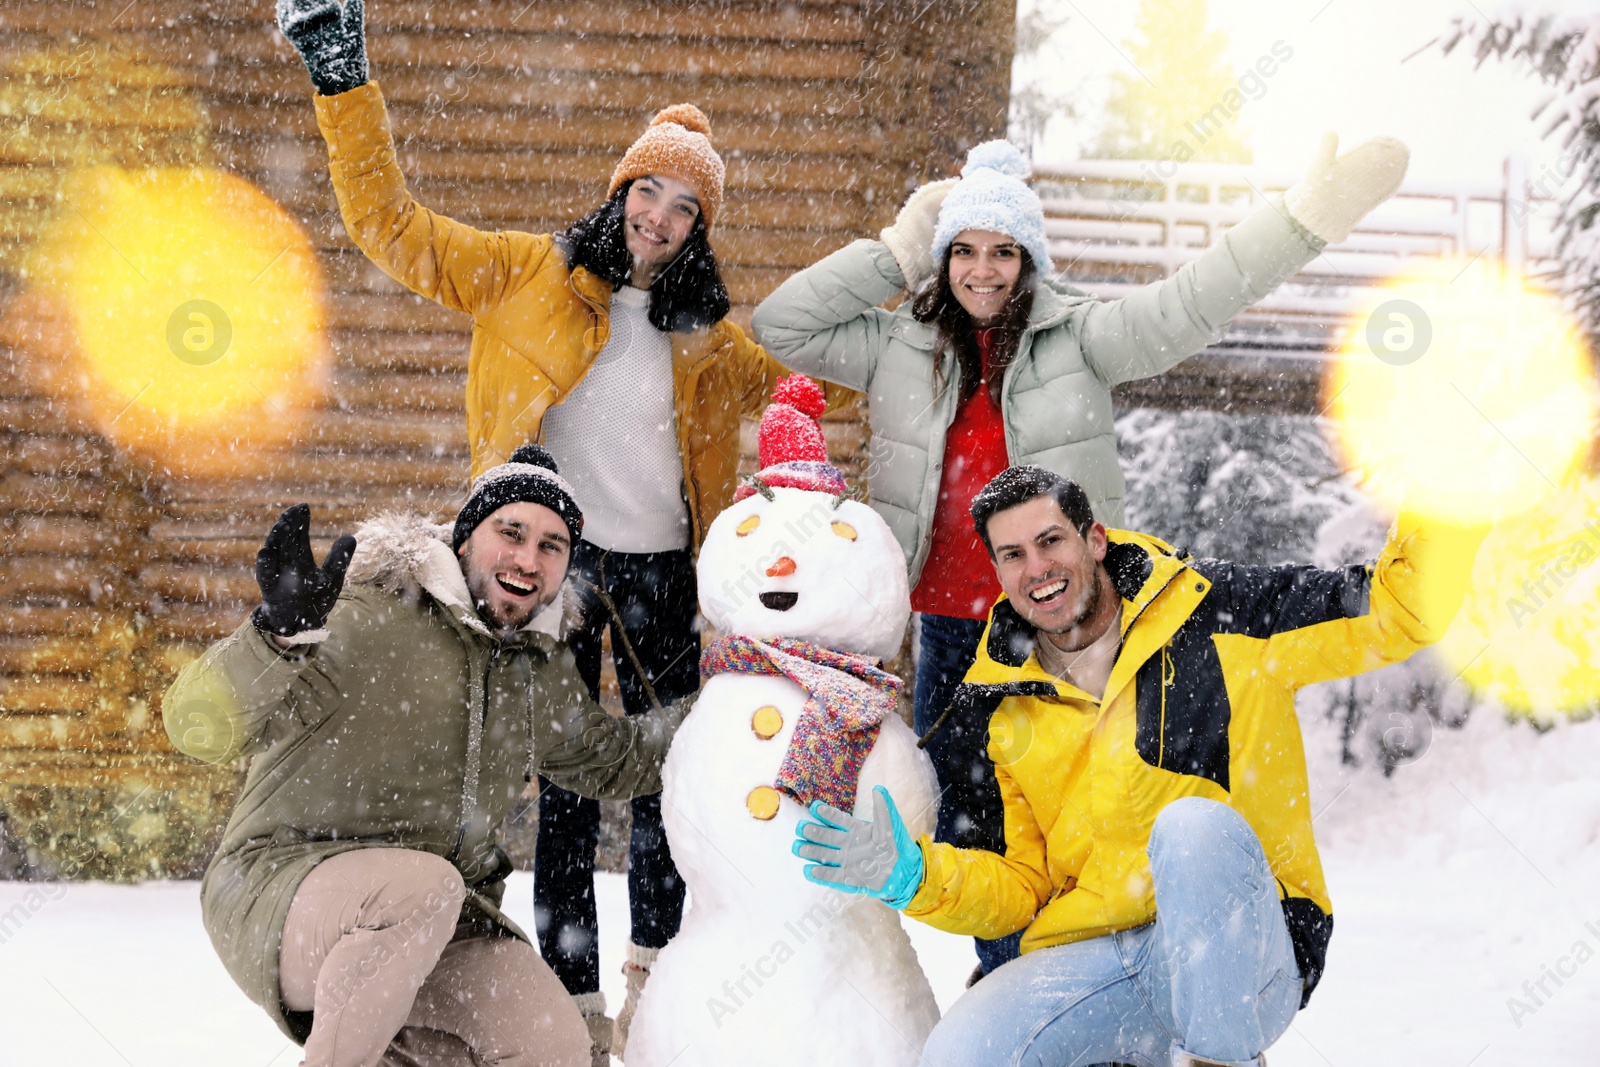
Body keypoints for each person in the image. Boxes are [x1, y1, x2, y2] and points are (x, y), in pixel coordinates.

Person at [273, 0, 847, 1056]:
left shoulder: (711, 342)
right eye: (649, 191)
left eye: (685, 206)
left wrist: (909, 312)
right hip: (555, 569)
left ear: (700, 226)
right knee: (573, 793)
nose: (660, 217)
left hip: (667, 578)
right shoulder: (523, 275)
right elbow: (389, 226)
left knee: (676, 783)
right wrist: (344, 83)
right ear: (621, 189)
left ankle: (659, 988)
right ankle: (576, 1007)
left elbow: (816, 400)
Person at [752, 133, 1409, 977]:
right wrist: (895, 252)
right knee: (974, 839)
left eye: (1003, 250)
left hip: (1058, 631)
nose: (982, 270)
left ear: (1030, 260)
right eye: (962, 250)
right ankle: (1010, 991)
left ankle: (1094, 989)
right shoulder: (898, 345)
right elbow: (782, 323)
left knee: (1079, 826)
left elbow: (1194, 302)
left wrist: (1305, 218)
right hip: (953, 638)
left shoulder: (1081, 338)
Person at [790, 464, 1485, 1067]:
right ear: (997, 571)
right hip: (1106, 961)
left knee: (1190, 828)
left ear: (1094, 539)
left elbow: (1398, 610)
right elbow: (1018, 887)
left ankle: (1217, 1054)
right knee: (958, 1054)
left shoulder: (1218, 613)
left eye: (1051, 539)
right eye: (1013, 554)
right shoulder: (995, 700)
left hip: (1245, 950)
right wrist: (912, 875)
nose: (1037, 569)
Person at [163, 445, 691, 1067]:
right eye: (511, 533)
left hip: (439, 923)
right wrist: (276, 635)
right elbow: (195, 729)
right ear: (466, 539)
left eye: (551, 546)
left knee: (553, 1044)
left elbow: (617, 760)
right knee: (424, 889)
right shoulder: (371, 613)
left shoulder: (537, 671)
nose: (528, 558)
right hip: (281, 889)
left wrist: (735, 709)